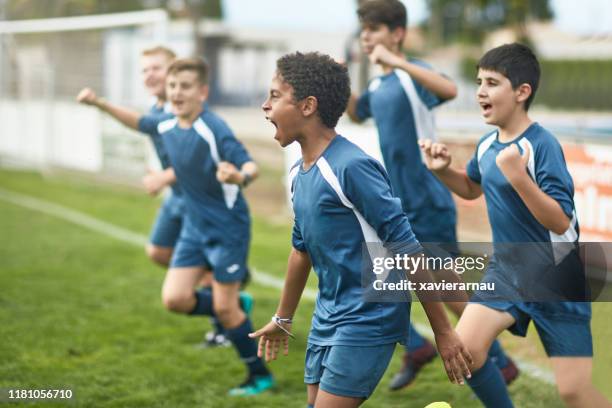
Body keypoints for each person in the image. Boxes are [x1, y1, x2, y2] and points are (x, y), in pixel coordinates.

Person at [251, 51, 472, 408]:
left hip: (370, 317)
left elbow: (408, 249)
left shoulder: (352, 167)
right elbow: (300, 250)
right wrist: (283, 317)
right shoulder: (300, 173)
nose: (265, 106)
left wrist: (443, 332)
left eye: (275, 96)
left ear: (308, 106)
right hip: (329, 315)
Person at [420, 42, 611, 408]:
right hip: (506, 271)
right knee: (464, 355)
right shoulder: (486, 144)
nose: (480, 92)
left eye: (492, 83)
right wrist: (444, 171)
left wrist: (519, 177)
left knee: (575, 392)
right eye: (479, 82)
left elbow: (559, 221)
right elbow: (472, 188)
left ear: (522, 92)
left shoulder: (542, 145)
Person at [345, 0, 517, 390]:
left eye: (374, 29)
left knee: (446, 292)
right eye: (364, 30)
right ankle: (421, 347)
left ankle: (500, 362)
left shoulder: (412, 75)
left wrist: (398, 60)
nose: (366, 37)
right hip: (397, 202)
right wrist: (341, 82)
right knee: (376, 286)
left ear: (397, 33)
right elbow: (359, 113)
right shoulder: (378, 83)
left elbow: (451, 87)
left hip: (426, 200)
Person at [76, 46, 246, 348]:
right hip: (178, 198)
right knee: (157, 252)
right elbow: (142, 124)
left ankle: (225, 313)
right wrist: (100, 104)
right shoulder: (157, 111)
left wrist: (163, 177)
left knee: (204, 270)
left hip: (200, 201)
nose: (149, 75)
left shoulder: (187, 110)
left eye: (157, 68)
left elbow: (199, 160)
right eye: (144, 70)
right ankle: (225, 299)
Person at [136, 57, 273, 396]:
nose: (176, 93)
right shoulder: (166, 125)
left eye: (184, 86)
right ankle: (236, 309)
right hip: (194, 229)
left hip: (228, 229)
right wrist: (99, 103)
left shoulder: (213, 127)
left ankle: (259, 376)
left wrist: (238, 176)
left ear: (202, 92)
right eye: (172, 87)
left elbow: (250, 166)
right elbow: (138, 122)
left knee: (224, 308)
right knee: (175, 299)